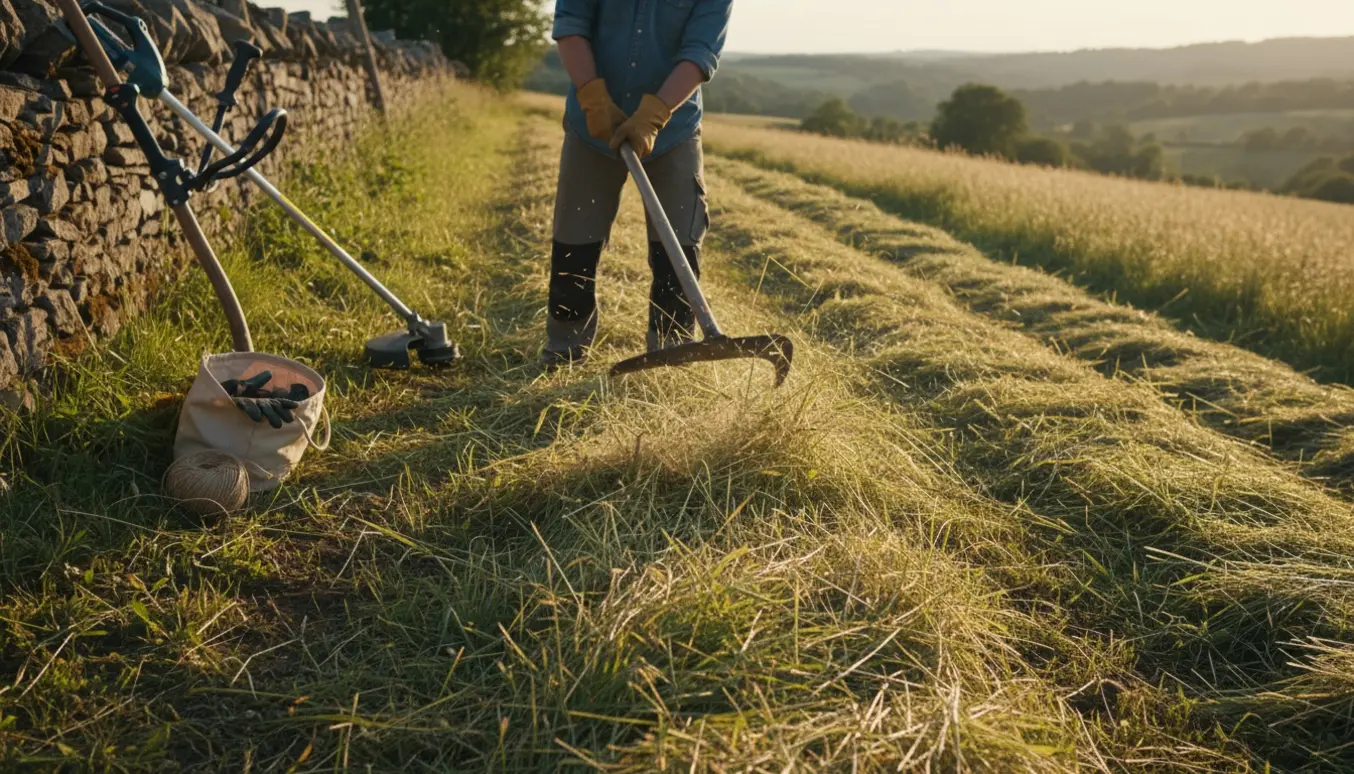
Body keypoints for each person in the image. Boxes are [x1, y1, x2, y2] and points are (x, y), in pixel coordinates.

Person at [543, 0, 734, 367]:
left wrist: (654, 114)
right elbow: (570, 25)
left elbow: (700, 51)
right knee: (574, 244)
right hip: (592, 125)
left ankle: (671, 354)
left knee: (678, 249)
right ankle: (564, 351)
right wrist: (594, 100)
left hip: (672, 130)